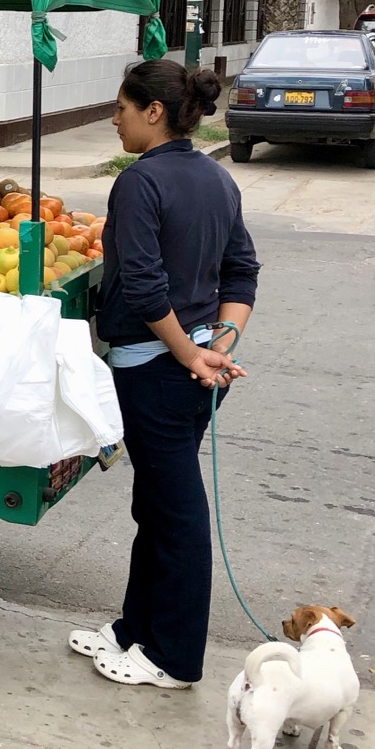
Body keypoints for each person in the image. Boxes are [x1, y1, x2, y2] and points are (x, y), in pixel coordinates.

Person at [68, 60, 260, 690]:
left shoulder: (140, 182)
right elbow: (242, 273)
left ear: (152, 112)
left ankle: (172, 658)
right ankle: (134, 630)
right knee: (154, 504)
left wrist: (188, 353)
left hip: (159, 372)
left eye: (121, 107)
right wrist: (218, 342)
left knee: (175, 515)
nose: (113, 118)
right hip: (197, 368)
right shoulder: (215, 177)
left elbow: (148, 290)